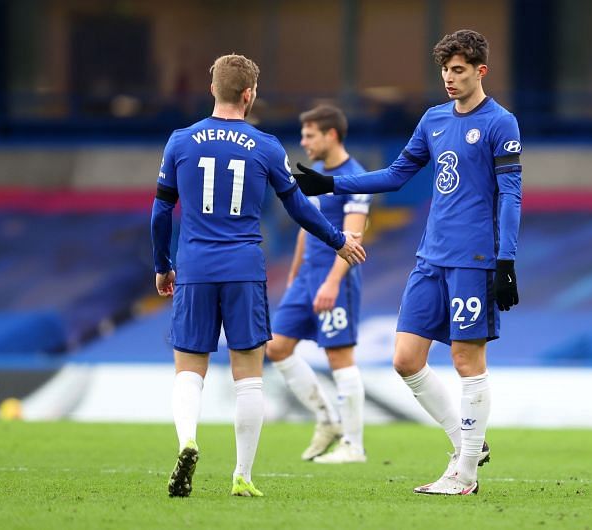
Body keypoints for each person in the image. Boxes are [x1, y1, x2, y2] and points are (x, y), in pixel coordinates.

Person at [293, 29, 521, 495]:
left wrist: (506, 261)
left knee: (465, 358)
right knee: (405, 358)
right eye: (445, 70)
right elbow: (397, 175)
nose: (450, 79)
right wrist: (333, 185)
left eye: (459, 70)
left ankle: (465, 475)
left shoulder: (501, 123)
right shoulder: (434, 119)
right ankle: (467, 444)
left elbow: (511, 195)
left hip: (474, 259)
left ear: (481, 71)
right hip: (430, 256)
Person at [151, 54, 366, 499]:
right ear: (249, 94)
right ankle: (242, 475)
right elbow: (300, 208)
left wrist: (161, 265)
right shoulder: (266, 146)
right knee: (248, 375)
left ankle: (188, 440)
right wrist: (338, 239)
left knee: (189, 371)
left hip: (194, 267)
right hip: (244, 269)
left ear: (213, 90)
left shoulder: (180, 141)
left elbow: (160, 212)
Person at [266, 105, 371, 464]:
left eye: (310, 135)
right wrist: (295, 273)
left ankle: (354, 445)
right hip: (307, 276)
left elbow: (354, 236)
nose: (303, 142)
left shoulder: (354, 178)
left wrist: (330, 282)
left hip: (334, 278)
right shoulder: (317, 175)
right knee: (277, 347)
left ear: (331, 135)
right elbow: (305, 226)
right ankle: (327, 419)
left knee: (339, 356)